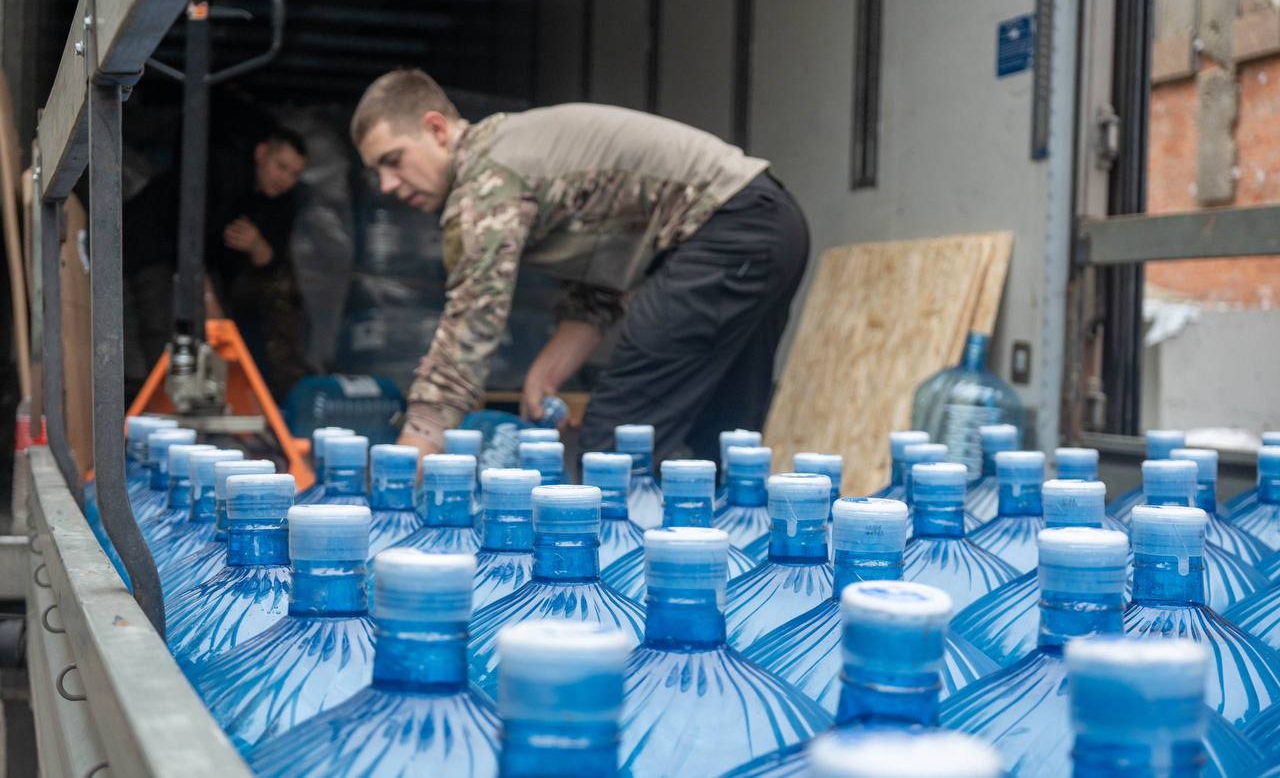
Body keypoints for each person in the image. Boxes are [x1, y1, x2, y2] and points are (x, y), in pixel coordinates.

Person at [352, 69, 809, 464]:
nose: (388, 185)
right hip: (769, 222)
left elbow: (472, 325)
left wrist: (417, 446)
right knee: (725, 434)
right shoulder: (515, 150)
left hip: (728, 231)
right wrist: (547, 372)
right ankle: (730, 554)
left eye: (393, 161)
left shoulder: (486, 179)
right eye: (377, 173)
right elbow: (606, 275)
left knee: (617, 441)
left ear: (437, 130)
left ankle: (623, 562)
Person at [122, 126, 311, 401]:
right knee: (161, 323)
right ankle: (163, 407)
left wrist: (258, 246)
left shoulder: (280, 202)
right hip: (155, 242)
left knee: (222, 326)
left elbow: (273, 263)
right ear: (261, 153)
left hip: (204, 263)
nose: (286, 179)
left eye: (295, 174)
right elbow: (188, 236)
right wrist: (208, 296)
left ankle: (212, 401)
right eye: (281, 167)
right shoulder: (223, 173)